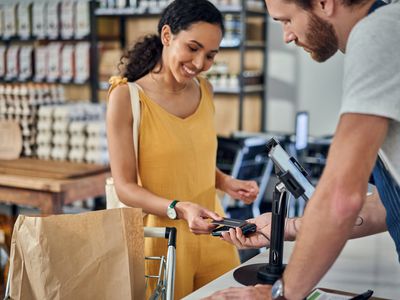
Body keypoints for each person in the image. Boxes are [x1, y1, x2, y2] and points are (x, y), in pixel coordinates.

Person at [205, 0, 400, 299]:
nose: (287, 36)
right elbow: (389, 203)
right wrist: (289, 226)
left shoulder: (378, 33)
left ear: (324, 3)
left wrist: (281, 295)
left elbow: (340, 198)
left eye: (286, 20)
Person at [106, 0, 259, 298]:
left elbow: (191, 156)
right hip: (163, 243)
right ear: (167, 36)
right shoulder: (126, 97)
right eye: (192, 48)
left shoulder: (205, 90)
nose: (200, 63)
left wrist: (224, 182)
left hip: (217, 234)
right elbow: (125, 187)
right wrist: (179, 208)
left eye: (210, 55)